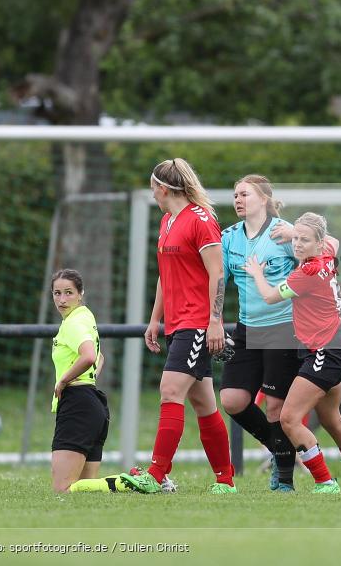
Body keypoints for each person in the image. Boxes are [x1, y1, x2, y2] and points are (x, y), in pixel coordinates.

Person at [245, 212, 341, 494]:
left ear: (318, 244)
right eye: (295, 238)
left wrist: (257, 273)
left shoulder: (306, 273)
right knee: (332, 419)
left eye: (304, 240)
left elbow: (270, 297)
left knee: (289, 418)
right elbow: (334, 239)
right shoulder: (327, 256)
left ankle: (325, 481)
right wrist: (292, 232)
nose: (296, 244)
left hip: (325, 351)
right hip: (332, 347)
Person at [121, 158, 236, 495]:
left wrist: (215, 320)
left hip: (197, 322)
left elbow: (217, 273)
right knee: (203, 403)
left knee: (170, 390)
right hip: (177, 323)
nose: (151, 192)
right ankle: (225, 481)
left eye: (152, 185)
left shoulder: (202, 221)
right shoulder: (168, 220)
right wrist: (156, 319)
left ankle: (156, 475)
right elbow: (165, 274)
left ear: (164, 187)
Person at [220, 175, 301, 492]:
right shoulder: (229, 238)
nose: (238, 199)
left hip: (283, 328)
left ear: (265, 198)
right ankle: (284, 450)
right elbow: (218, 281)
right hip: (245, 329)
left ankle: (284, 479)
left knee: (276, 408)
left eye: (245, 194)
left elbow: (326, 252)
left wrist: (298, 235)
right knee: (233, 400)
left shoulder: (285, 232)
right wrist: (214, 320)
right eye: (235, 194)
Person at [48, 268, 113, 493]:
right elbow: (99, 358)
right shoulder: (85, 316)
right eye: (57, 293)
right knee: (83, 492)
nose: (62, 299)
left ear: (80, 293)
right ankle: (130, 481)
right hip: (93, 404)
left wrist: (63, 381)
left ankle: (128, 482)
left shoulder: (72, 323)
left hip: (77, 404)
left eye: (68, 293)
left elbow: (89, 356)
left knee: (62, 489)